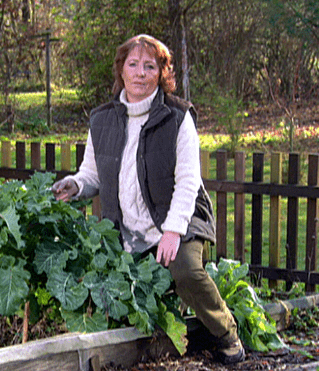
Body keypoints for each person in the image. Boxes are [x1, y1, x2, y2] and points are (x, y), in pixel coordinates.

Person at [52, 34, 245, 365]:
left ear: (162, 73)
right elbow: (92, 175)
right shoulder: (101, 119)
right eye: (133, 65)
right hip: (127, 231)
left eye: (149, 66)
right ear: (122, 71)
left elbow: (188, 182)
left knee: (184, 270)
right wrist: (75, 185)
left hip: (179, 220)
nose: (140, 73)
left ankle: (228, 335)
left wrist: (173, 231)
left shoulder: (178, 117)